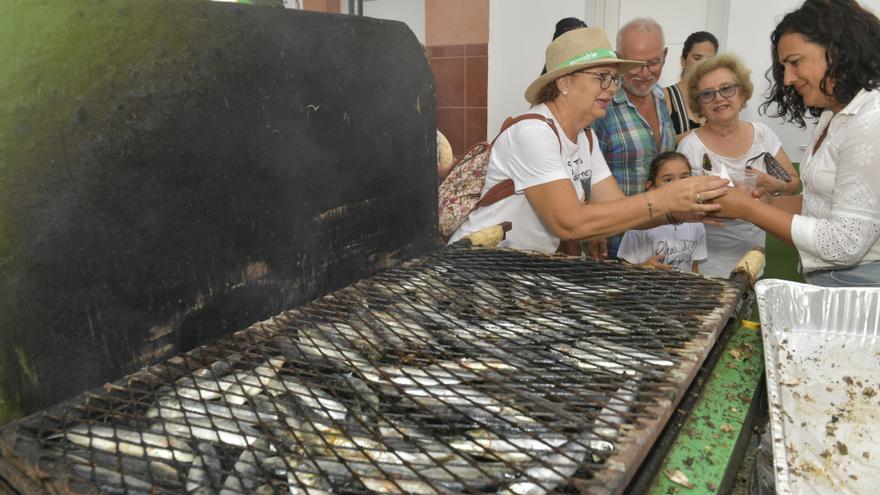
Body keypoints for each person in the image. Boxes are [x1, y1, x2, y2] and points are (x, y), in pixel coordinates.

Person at [447, 28, 729, 253]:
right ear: (564, 82)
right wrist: (665, 197)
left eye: (614, 78)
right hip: (476, 265)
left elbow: (619, 211)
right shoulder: (534, 133)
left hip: (516, 271)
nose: (611, 88)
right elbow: (569, 223)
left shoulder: (586, 138)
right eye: (601, 77)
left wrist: (680, 212)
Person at [714, 0, 880, 288]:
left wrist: (748, 209)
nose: (788, 79)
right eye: (784, 67)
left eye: (795, 62)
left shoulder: (871, 120)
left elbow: (846, 243)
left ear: (838, 50)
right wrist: (766, 203)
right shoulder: (833, 116)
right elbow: (822, 205)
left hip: (860, 288)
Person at [677, 53, 800, 278]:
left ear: (742, 93)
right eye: (707, 94)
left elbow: (792, 183)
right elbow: (678, 205)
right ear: (699, 104)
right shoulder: (690, 147)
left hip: (751, 257)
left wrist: (772, 183)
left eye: (727, 88)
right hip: (703, 262)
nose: (719, 98)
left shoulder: (763, 135)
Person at [592, 18, 677, 257]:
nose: (645, 73)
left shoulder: (661, 98)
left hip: (661, 240)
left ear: (665, 55)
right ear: (618, 57)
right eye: (636, 64)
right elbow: (583, 174)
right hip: (615, 243)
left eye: (653, 63)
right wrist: (594, 228)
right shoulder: (601, 107)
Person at [618, 151, 707, 273]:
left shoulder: (696, 223)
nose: (678, 185)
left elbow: (694, 268)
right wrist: (644, 267)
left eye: (685, 177)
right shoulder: (639, 226)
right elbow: (624, 268)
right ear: (651, 186)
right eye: (668, 180)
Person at [664, 31, 719, 143]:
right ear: (683, 60)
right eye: (697, 58)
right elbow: (655, 145)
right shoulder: (664, 96)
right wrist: (699, 134)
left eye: (709, 60)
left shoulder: (719, 98)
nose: (703, 64)